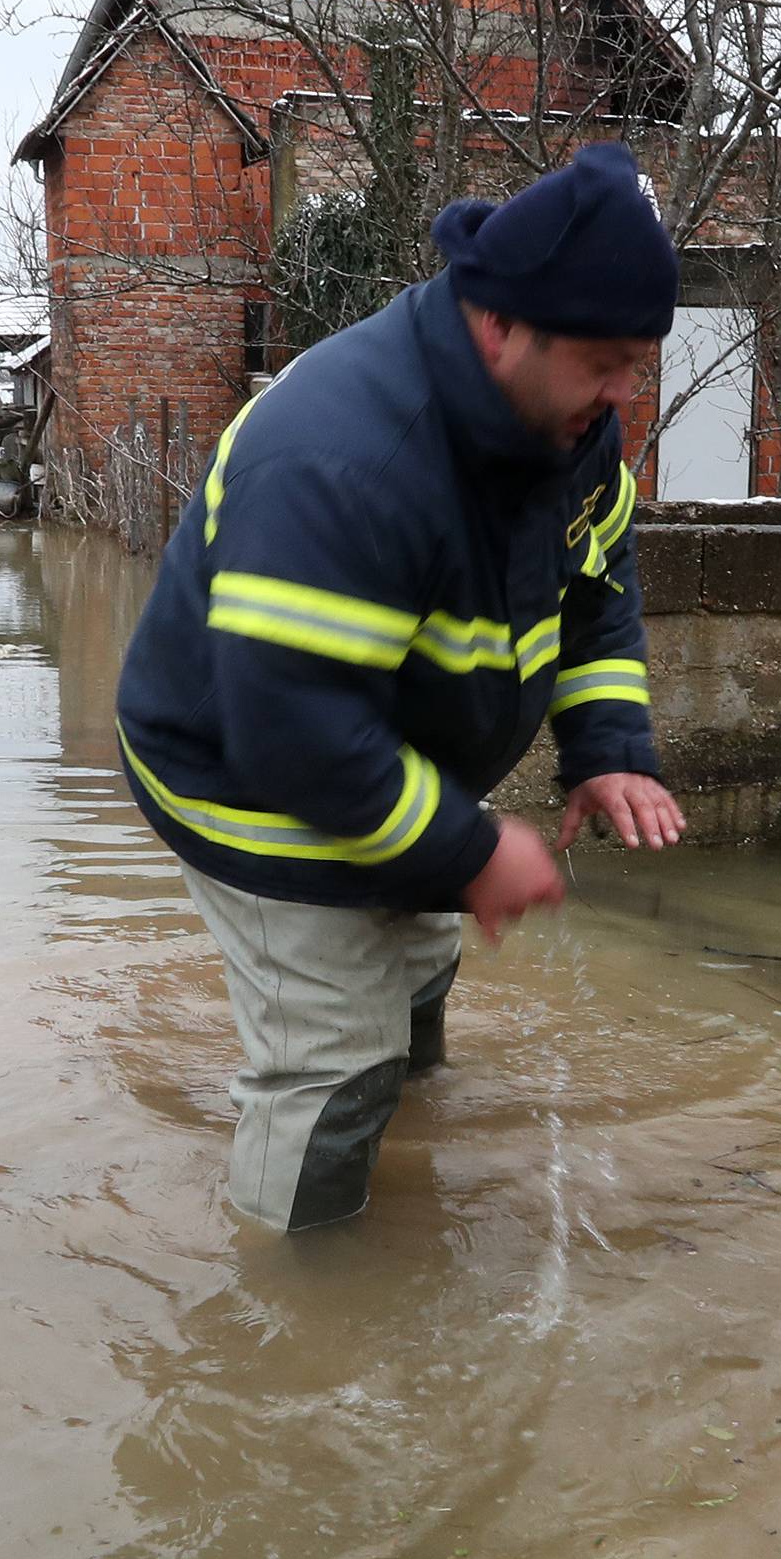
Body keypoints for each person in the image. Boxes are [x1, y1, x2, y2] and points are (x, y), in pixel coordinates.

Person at [116, 141, 688, 1232]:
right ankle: (296, 1335)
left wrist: (609, 749)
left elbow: (599, 587)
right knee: (335, 1061)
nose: (624, 394)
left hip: (382, 748)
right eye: (605, 361)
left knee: (418, 952)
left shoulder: (569, 432)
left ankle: (402, 1137)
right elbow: (294, 733)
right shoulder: (346, 457)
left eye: (638, 364)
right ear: (499, 324)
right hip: (242, 774)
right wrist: (474, 851)